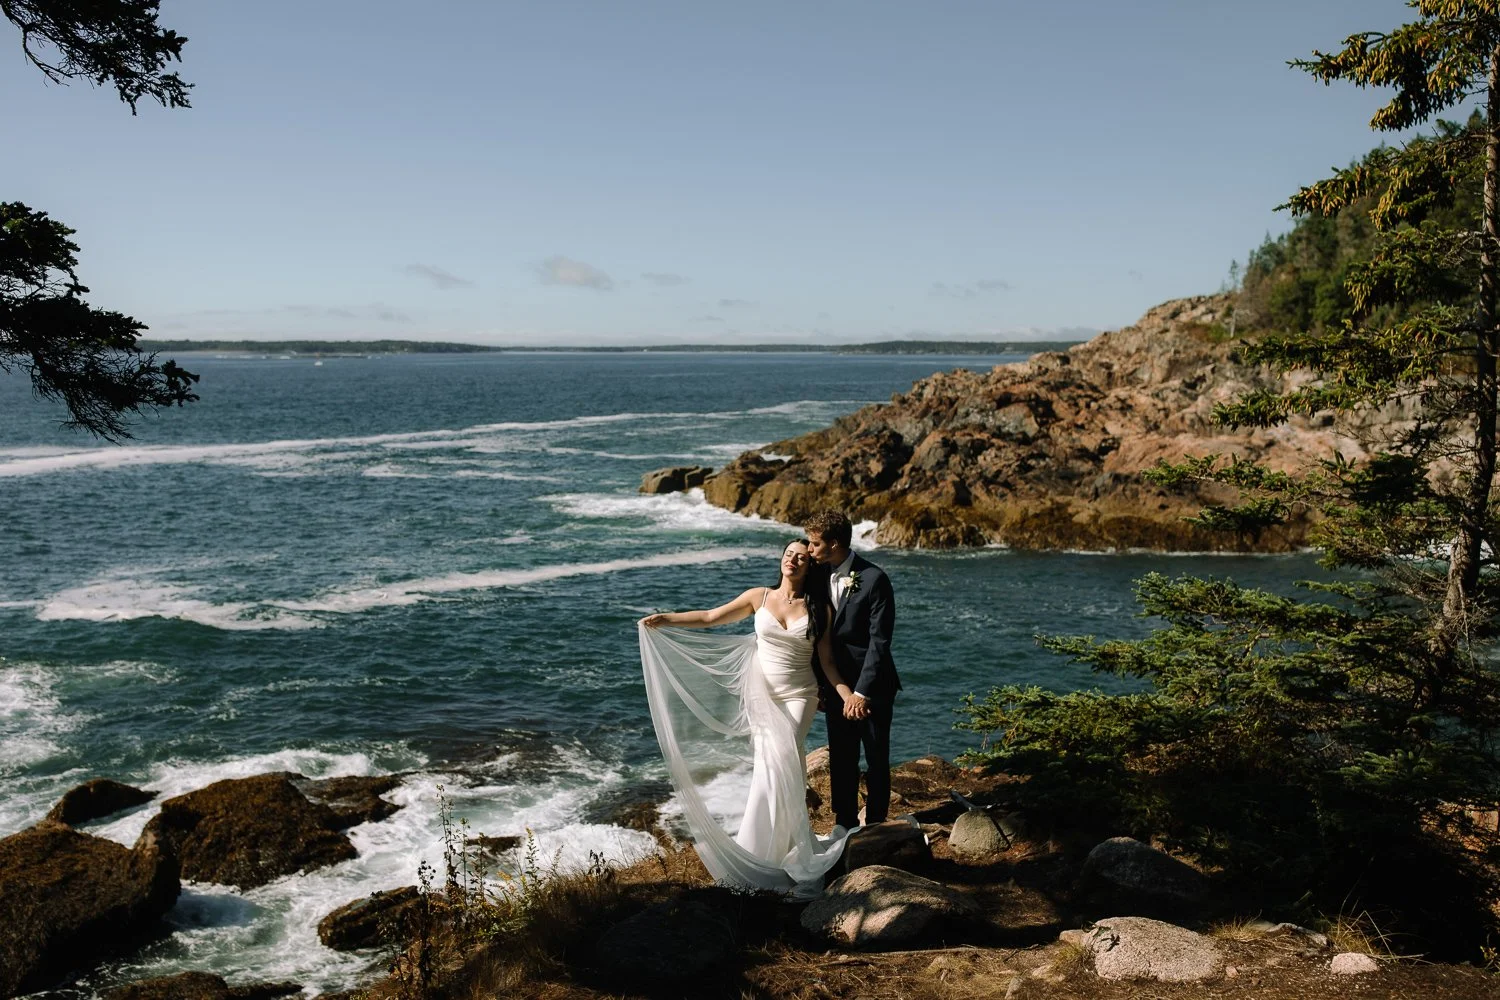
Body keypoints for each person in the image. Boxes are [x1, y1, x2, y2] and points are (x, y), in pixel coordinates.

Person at [638, 539, 854, 897]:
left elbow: (828, 663)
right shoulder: (760, 597)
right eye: (789, 554)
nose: (793, 560)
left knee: (779, 760)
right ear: (782, 560)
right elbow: (710, 617)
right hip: (762, 696)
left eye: (801, 556)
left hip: (800, 695)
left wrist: (846, 693)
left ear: (809, 566)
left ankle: (761, 851)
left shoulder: (820, 608)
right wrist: (666, 619)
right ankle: (777, 848)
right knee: (781, 767)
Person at [803, 509, 900, 830]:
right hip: (834, 686)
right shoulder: (817, 575)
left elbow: (879, 642)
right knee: (842, 760)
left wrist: (861, 693)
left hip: (872, 689)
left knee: (875, 758)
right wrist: (821, 684)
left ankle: (875, 824)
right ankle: (844, 824)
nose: (809, 548)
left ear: (834, 544)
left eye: (814, 543)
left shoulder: (875, 579)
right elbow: (818, 634)